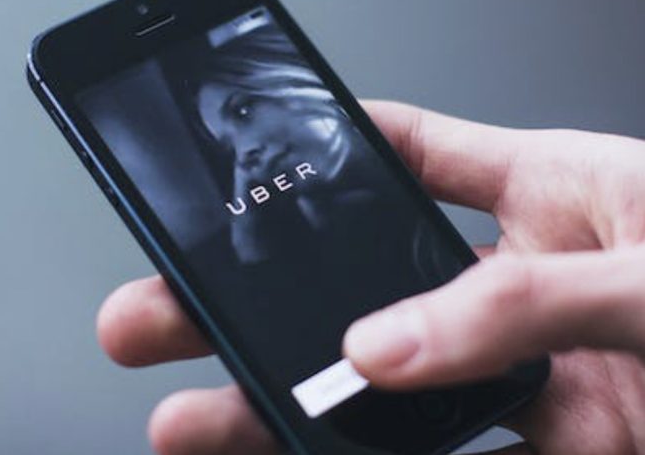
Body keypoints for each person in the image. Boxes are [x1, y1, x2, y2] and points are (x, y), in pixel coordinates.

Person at [97, 100, 645, 455]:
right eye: (227, 144)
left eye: (242, 110)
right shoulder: (313, 237)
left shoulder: (380, 216)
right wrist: (251, 239)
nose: (246, 152)